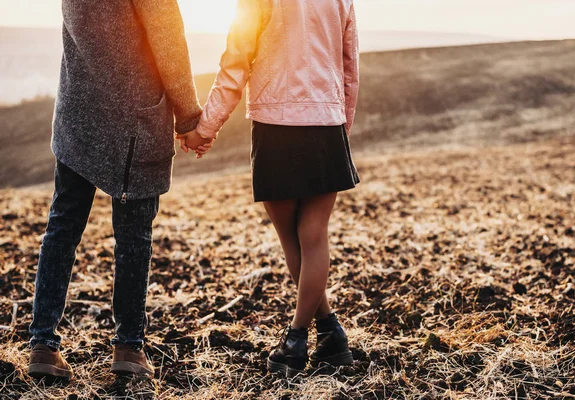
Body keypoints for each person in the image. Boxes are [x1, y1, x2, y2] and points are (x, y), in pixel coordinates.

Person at [28, 0, 213, 380]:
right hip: (135, 119)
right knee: (134, 238)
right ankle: (128, 347)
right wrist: (189, 116)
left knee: (62, 225)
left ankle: (42, 345)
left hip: (77, 114)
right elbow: (168, 38)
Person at [178, 0, 360, 377]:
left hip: (277, 127)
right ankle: (330, 333)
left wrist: (205, 129)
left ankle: (295, 341)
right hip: (326, 123)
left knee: (291, 239)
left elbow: (234, 67)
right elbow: (349, 66)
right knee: (314, 237)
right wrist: (341, 123)